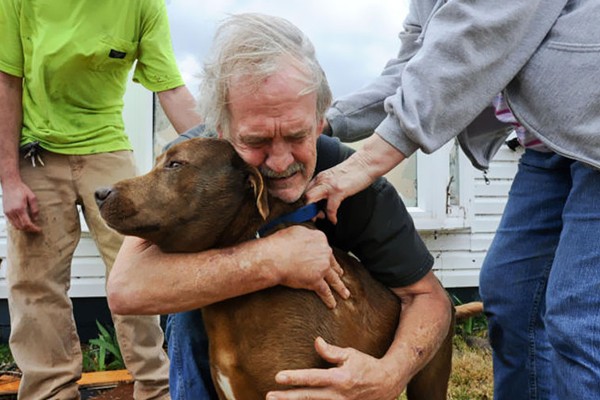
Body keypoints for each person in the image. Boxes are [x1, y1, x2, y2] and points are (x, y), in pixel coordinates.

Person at [106, 13, 452, 400]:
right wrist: (271, 259)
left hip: (329, 325)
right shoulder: (199, 161)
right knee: (187, 310)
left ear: (320, 122)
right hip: (225, 328)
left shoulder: (353, 178)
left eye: (296, 134)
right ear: (221, 130)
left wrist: (388, 374)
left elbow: (429, 297)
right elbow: (126, 289)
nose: (279, 161)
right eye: (256, 140)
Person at [305, 0, 600, 399]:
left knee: (579, 316)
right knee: (514, 296)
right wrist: (320, 122)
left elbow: (480, 32)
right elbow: (412, 69)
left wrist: (370, 159)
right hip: (552, 148)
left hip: (594, 128)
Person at [0, 1, 202, 399]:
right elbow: (6, 81)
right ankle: (50, 391)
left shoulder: (142, 5)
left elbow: (171, 88)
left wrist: (221, 147)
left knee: (138, 267)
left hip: (107, 147)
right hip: (37, 150)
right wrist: (9, 179)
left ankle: (157, 388)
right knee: (35, 282)